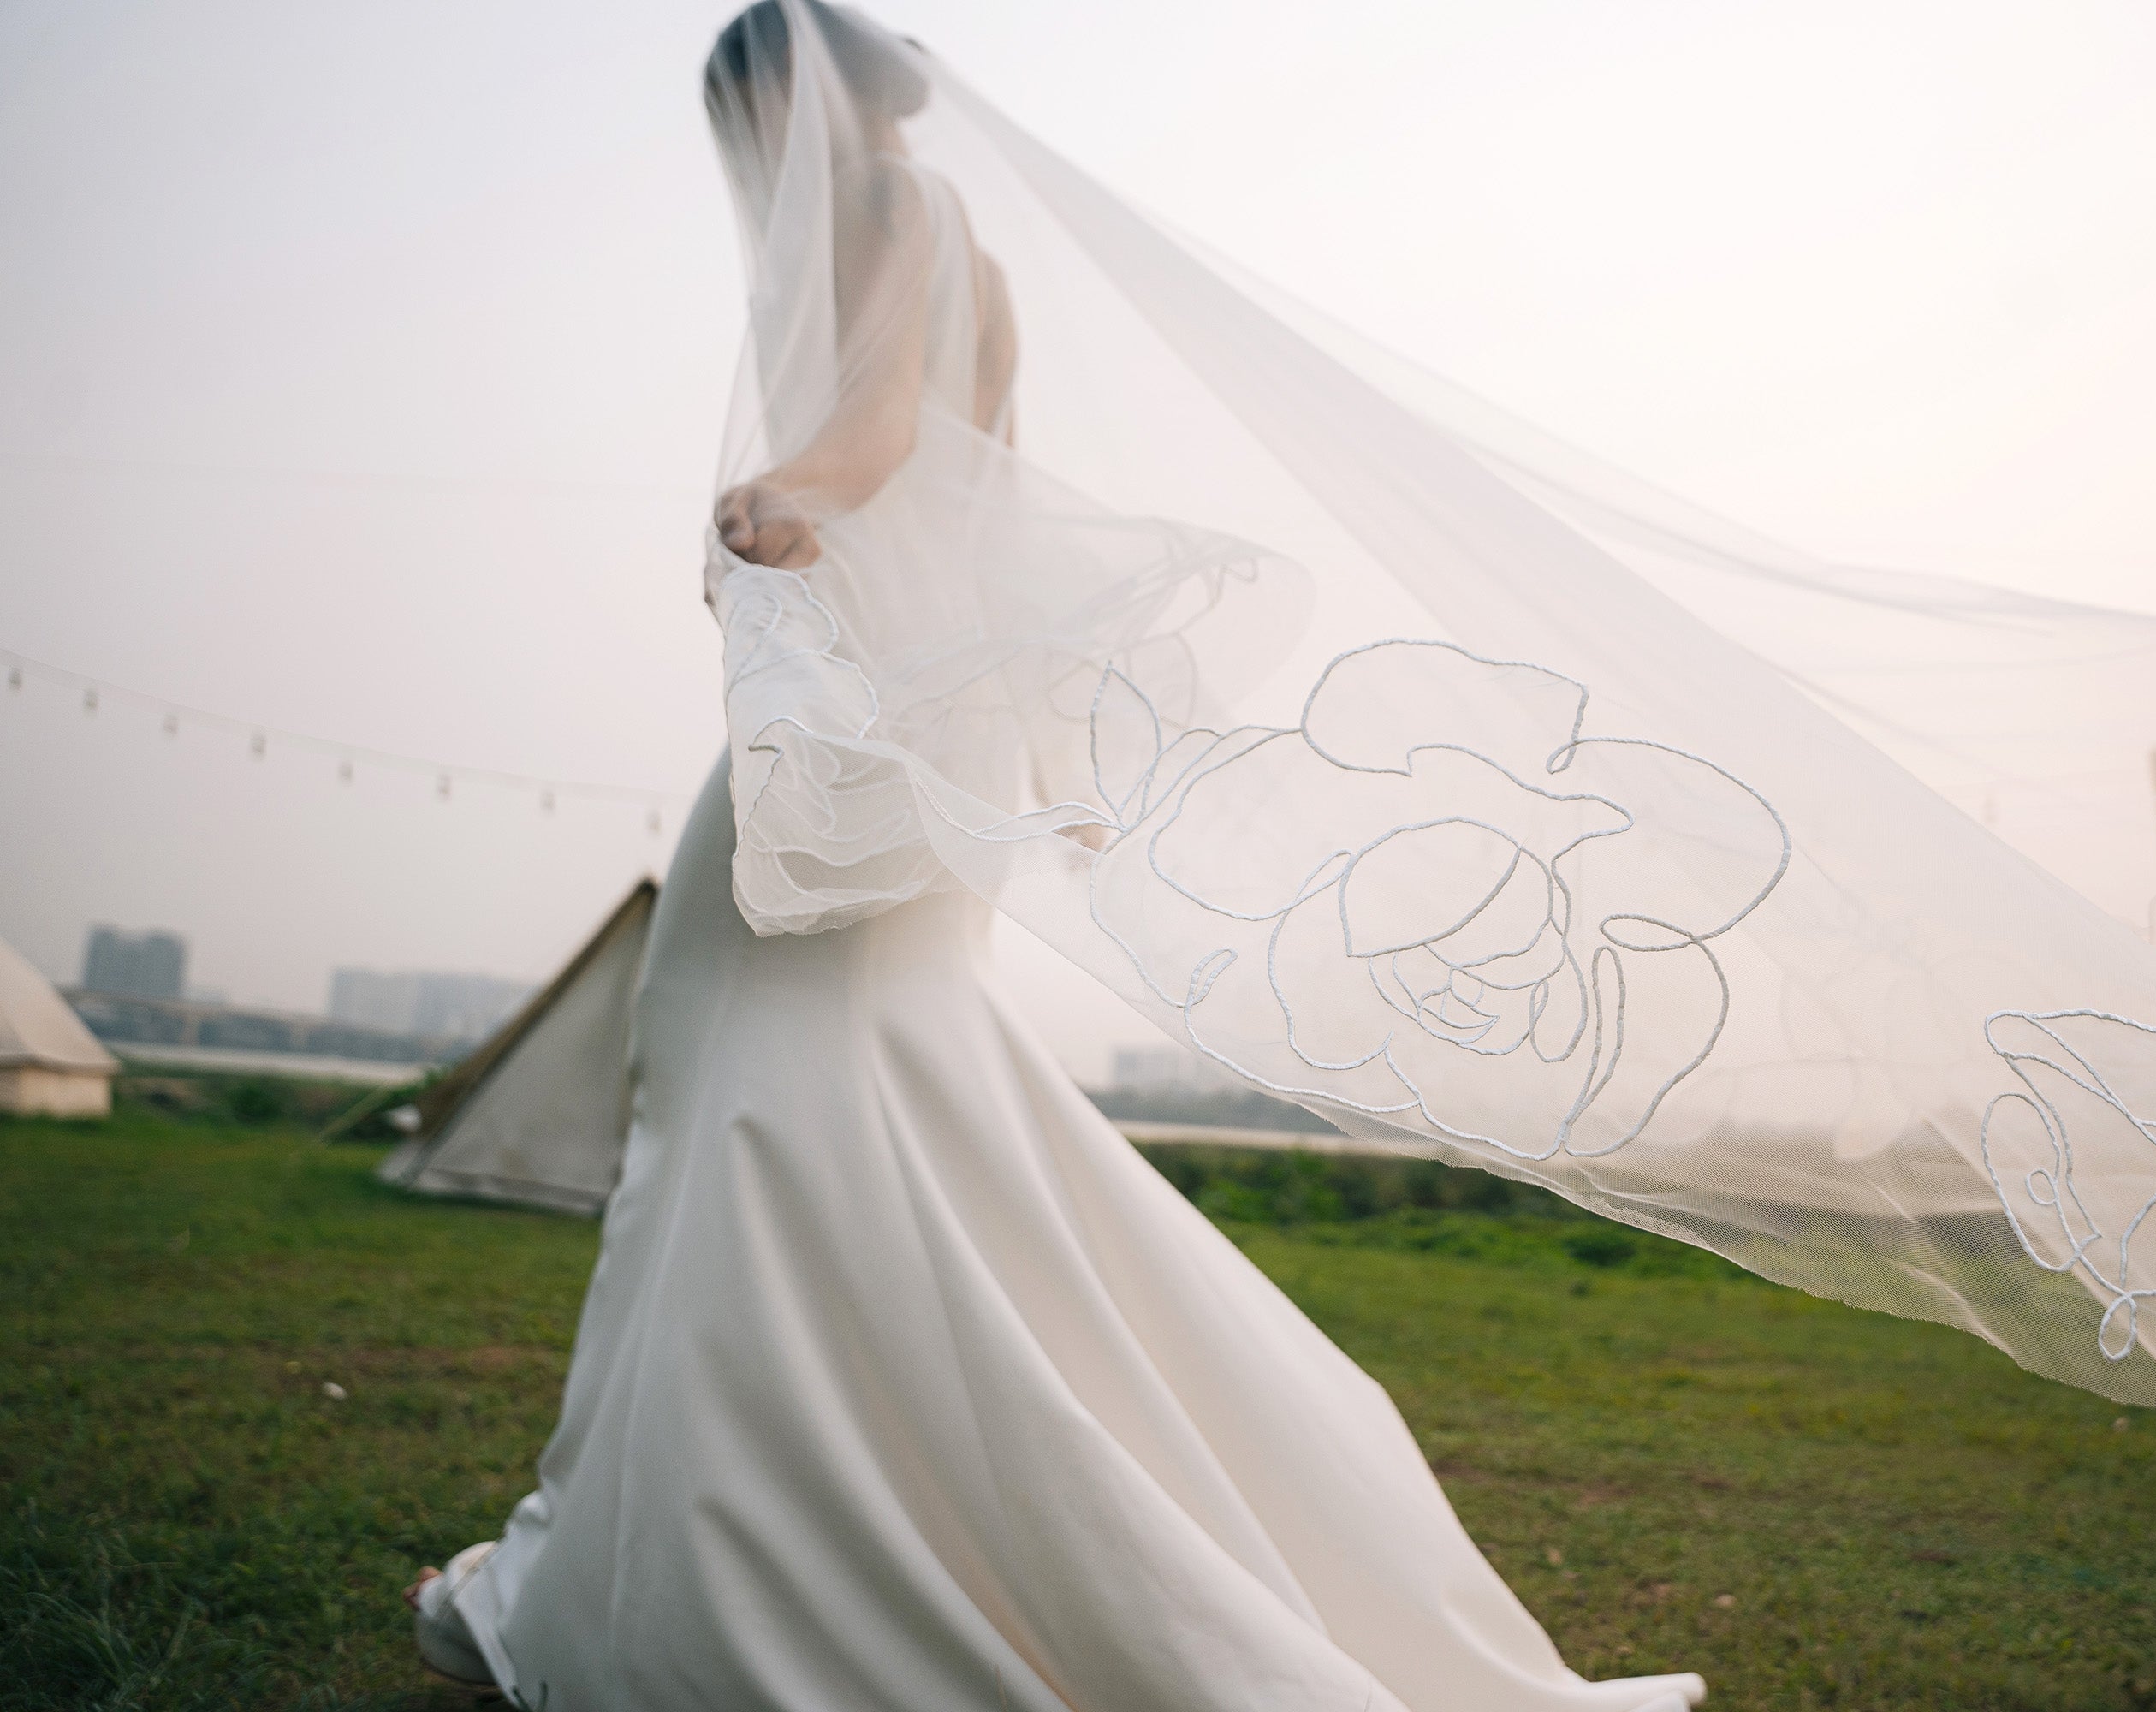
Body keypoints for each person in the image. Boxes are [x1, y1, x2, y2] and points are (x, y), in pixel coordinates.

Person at [404, 7, 1706, 1708]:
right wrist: (1036, 742)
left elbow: (873, 435)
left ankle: (680, 1578)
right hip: (936, 740)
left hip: (872, 734)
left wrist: (767, 499)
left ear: (783, 103)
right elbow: (993, 493)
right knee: (851, 1107)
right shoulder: (973, 255)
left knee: (742, 1104)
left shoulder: (880, 212)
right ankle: (693, 1553)